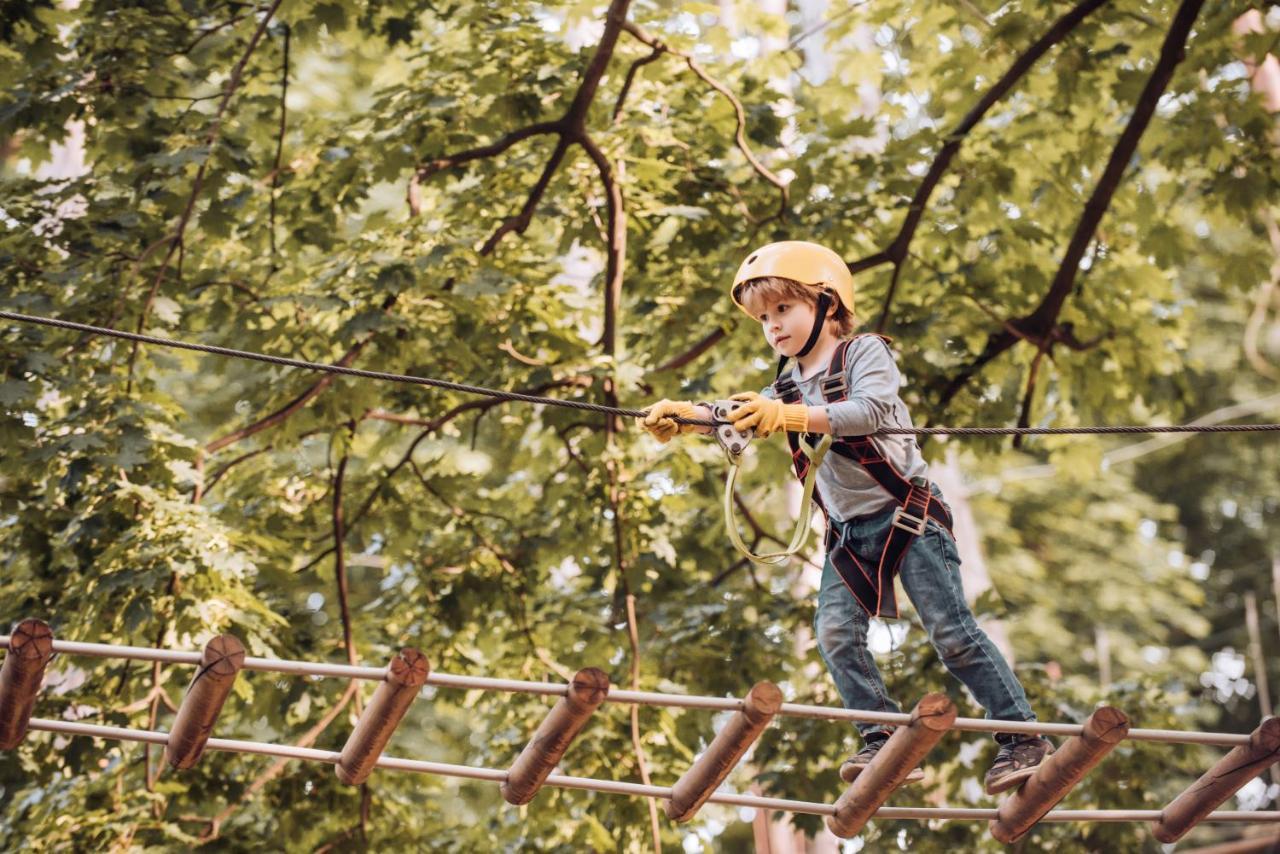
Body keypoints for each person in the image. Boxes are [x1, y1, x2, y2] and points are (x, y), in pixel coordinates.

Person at [640, 241, 1052, 794]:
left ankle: (1023, 736)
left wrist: (787, 414)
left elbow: (870, 410)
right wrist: (688, 417)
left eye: (783, 309)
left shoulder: (862, 354)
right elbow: (735, 416)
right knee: (834, 634)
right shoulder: (782, 388)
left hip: (908, 517)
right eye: (763, 318)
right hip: (848, 532)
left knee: (951, 633)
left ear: (828, 306)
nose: (772, 327)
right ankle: (881, 739)